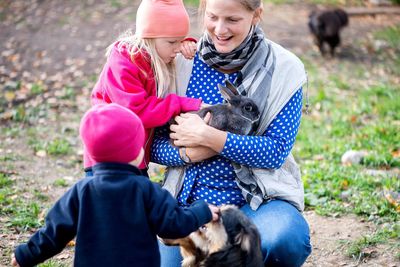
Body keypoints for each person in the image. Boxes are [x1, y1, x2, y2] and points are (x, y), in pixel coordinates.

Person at [151, 0, 312, 266]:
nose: (220, 29)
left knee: (282, 241)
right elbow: (152, 142)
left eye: (233, 20)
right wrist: (190, 153)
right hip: (189, 201)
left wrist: (210, 138)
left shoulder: (285, 68)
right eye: (212, 17)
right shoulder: (178, 59)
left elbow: (275, 152)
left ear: (256, 15)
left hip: (260, 201)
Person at [11, 104, 219, 267]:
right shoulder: (146, 191)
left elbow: (54, 232)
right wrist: (202, 211)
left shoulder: (82, 191)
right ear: (137, 151)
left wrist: (25, 255)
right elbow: (174, 225)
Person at [84, 0, 202, 176]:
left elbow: (168, 44)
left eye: (181, 40)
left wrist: (186, 44)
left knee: (141, 202)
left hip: (134, 156)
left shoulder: (156, 56)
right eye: (172, 42)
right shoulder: (125, 61)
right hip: (110, 158)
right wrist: (181, 103)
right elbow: (135, 111)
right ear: (149, 37)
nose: (177, 48)